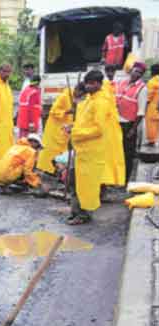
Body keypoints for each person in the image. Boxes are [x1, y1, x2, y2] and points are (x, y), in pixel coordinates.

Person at [64, 71, 108, 225]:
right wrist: (73, 126)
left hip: (91, 152)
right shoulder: (90, 99)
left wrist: (74, 131)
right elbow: (84, 123)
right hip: (82, 150)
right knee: (76, 183)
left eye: (89, 83)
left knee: (86, 186)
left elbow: (98, 129)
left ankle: (83, 215)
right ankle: (75, 211)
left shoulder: (101, 102)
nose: (87, 86)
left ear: (97, 83)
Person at [37, 84, 81, 174]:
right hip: (55, 128)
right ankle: (45, 170)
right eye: (80, 93)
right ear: (76, 89)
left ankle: (57, 171)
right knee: (50, 150)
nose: (80, 96)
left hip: (64, 129)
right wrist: (68, 111)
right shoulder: (64, 96)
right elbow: (53, 111)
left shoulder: (75, 98)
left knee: (61, 152)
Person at [116, 62, 148, 183]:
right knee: (116, 152)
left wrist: (133, 129)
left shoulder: (142, 89)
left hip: (129, 125)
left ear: (141, 75)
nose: (136, 74)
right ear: (131, 71)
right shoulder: (121, 83)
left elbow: (141, 112)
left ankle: (124, 181)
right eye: (135, 71)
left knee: (127, 154)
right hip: (116, 123)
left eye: (140, 73)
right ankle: (116, 179)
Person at [100, 64, 126, 189]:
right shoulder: (104, 85)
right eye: (108, 71)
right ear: (105, 71)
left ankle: (107, 183)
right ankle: (103, 183)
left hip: (113, 125)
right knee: (105, 156)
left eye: (112, 71)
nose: (110, 73)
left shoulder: (114, 85)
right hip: (106, 126)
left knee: (111, 156)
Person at [146, 64, 159, 147]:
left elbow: (148, 96)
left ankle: (151, 141)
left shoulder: (152, 81)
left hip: (153, 106)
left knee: (151, 123)